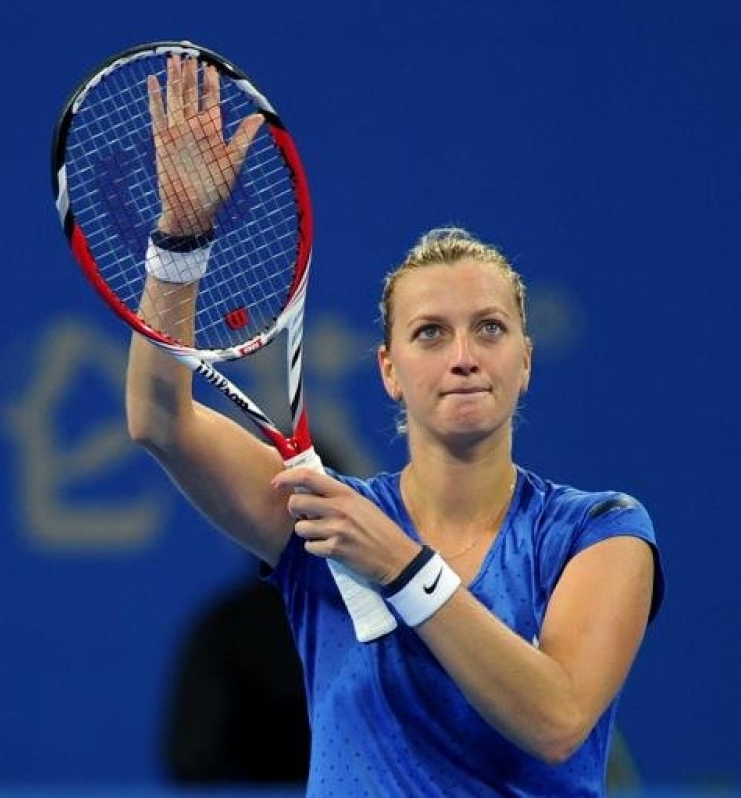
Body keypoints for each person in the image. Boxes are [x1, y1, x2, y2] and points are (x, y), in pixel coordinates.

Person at [129, 54, 664, 796]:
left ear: (525, 361)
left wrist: (402, 568)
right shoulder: (322, 524)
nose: (464, 356)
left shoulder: (599, 532)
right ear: (389, 369)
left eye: (489, 329)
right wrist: (180, 246)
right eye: (430, 334)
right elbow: (160, 421)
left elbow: (556, 721)